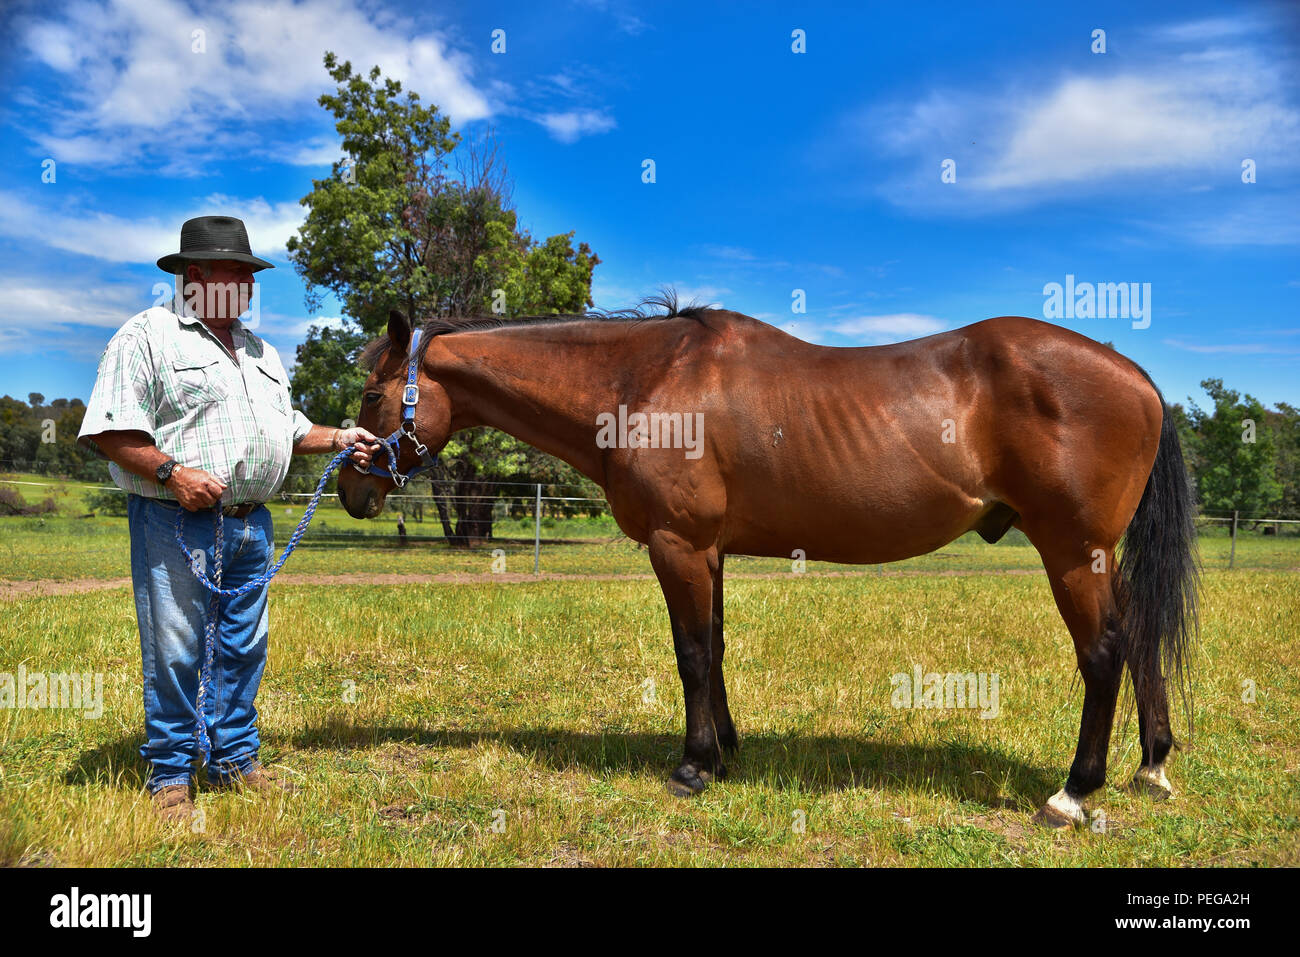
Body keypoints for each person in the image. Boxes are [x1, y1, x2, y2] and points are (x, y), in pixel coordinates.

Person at [78, 215, 381, 821]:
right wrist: (171, 473)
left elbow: (289, 429)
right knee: (178, 648)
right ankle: (170, 776)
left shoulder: (262, 352)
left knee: (244, 647)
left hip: (250, 524)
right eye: (237, 271)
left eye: (250, 273)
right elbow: (109, 432)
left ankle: (236, 760)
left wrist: (340, 437)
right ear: (196, 275)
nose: (247, 283)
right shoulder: (145, 337)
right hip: (175, 520)